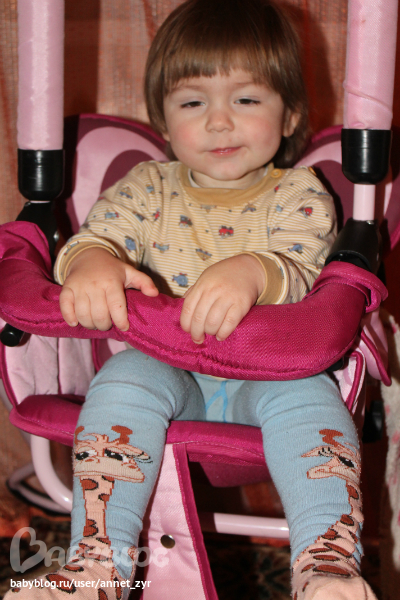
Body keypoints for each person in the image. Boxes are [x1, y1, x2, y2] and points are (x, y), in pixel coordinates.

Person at [7, 1, 377, 599]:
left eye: (246, 99)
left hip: (269, 376)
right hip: (166, 373)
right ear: (163, 119)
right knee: (123, 376)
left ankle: (327, 563)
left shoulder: (299, 192)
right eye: (192, 103)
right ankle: (98, 562)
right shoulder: (146, 187)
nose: (219, 122)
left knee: (311, 397)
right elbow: (97, 238)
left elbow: (308, 269)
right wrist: (93, 263)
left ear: (289, 114)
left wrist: (255, 271)